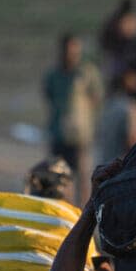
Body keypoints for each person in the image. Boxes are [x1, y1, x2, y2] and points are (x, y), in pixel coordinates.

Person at [44, 34, 104, 204]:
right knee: (58, 177)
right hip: (58, 133)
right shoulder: (53, 74)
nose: (71, 54)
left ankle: (83, 216)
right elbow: (49, 95)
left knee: (83, 177)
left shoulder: (86, 72)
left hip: (80, 135)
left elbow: (96, 96)